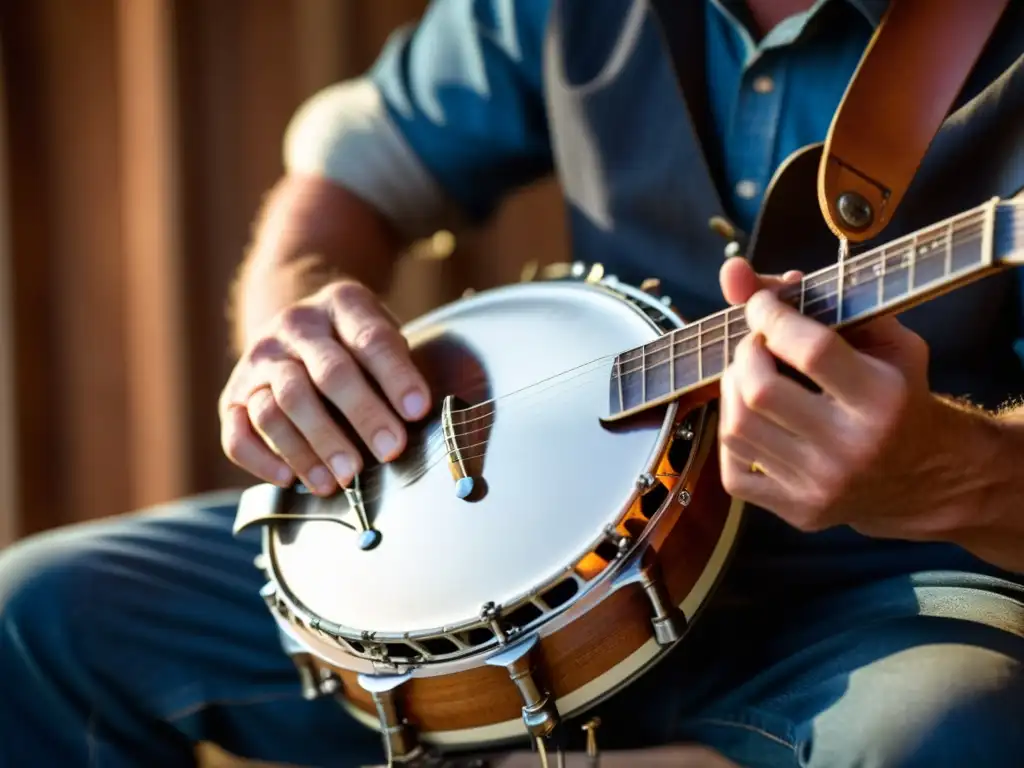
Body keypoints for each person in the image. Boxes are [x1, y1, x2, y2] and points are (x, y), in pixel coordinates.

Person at [3, 0, 1024, 765]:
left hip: (883, 592)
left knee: (959, 733)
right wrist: (293, 322)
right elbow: (347, 179)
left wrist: (956, 476)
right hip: (481, 529)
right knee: (34, 619)